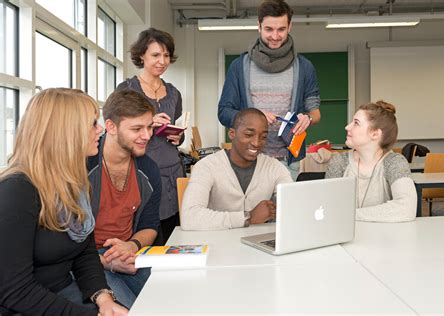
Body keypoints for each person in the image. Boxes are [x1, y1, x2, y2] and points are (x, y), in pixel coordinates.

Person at [0, 88, 127, 315]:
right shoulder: (16, 191)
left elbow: (84, 252)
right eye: (92, 124)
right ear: (66, 133)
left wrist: (104, 298)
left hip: (63, 294)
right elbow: (14, 290)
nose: (99, 130)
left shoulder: (73, 184)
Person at [218, 0, 321, 180]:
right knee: (250, 209)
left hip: (288, 161)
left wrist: (308, 119)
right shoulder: (239, 67)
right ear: (259, 27)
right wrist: (254, 117)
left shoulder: (304, 67)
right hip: (248, 158)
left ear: (290, 26)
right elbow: (224, 113)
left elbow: (315, 113)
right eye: (269, 29)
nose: (275, 36)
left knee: (287, 208)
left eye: (281, 29)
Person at [87, 89, 161, 309]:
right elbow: (63, 244)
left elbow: (150, 226)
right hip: (88, 259)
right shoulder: (84, 164)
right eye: (137, 129)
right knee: (130, 310)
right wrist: (108, 262)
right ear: (110, 127)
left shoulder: (149, 168)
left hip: (128, 253)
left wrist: (131, 245)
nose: (147, 135)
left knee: (168, 299)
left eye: (149, 127)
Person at [116, 28, 184, 244]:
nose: (162, 61)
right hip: (141, 170)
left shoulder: (174, 93)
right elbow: (116, 130)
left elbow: (179, 129)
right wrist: (148, 122)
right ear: (141, 55)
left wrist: (178, 137)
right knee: (146, 230)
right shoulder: (127, 89)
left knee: (174, 235)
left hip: (173, 171)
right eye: (155, 55)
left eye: (166, 56)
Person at [181, 108, 292, 230]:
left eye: (263, 137)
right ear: (232, 134)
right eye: (249, 135)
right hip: (217, 244)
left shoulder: (275, 168)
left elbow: (294, 206)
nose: (256, 143)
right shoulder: (206, 167)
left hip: (257, 245)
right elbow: (189, 217)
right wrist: (248, 217)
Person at [325, 101, 417, 222]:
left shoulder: (394, 162)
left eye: (356, 123)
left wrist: (350, 215)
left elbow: (407, 208)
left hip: (385, 237)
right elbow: (328, 209)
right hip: (346, 237)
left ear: (375, 134)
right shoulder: (339, 162)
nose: (347, 127)